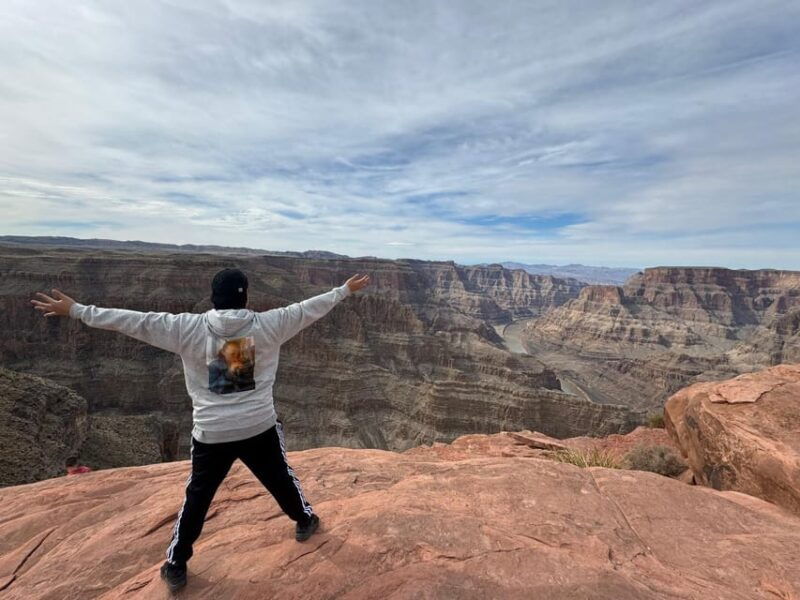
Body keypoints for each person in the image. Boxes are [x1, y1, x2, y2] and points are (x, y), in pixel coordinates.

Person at [31, 268, 371, 593]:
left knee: (198, 497)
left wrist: (77, 310)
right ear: (245, 297)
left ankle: (177, 564)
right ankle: (304, 521)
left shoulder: (185, 328)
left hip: (212, 433)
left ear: (212, 298)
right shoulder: (272, 324)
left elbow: (132, 321)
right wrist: (344, 290)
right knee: (279, 477)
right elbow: (309, 309)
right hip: (258, 425)